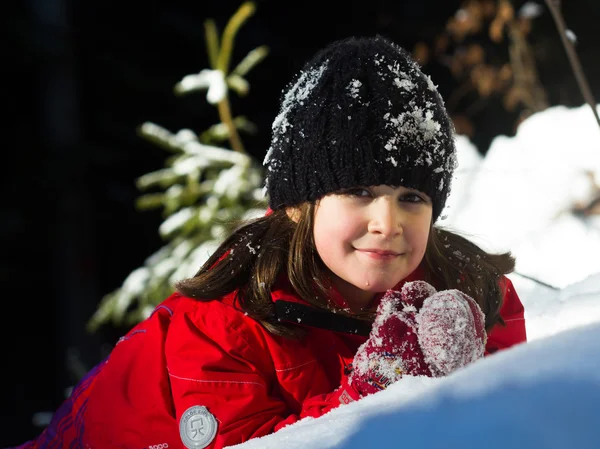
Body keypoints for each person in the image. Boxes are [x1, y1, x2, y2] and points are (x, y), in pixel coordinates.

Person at [12, 35, 526, 449]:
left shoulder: (473, 290)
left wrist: (467, 376)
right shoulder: (222, 326)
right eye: (358, 191)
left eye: (412, 196)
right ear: (298, 204)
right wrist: (379, 393)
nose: (387, 221)